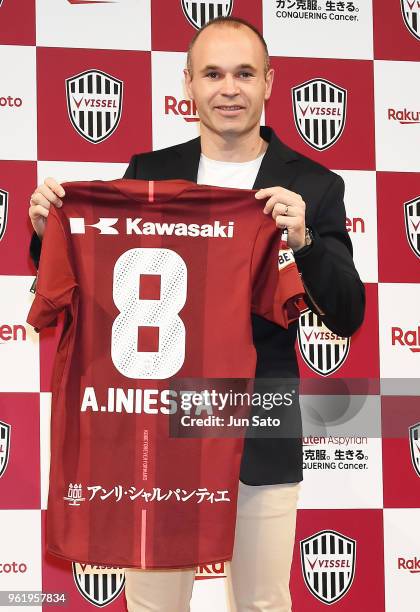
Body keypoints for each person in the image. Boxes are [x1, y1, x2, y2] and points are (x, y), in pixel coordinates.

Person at [28, 16, 365, 612]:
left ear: (269, 82)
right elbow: (98, 286)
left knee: (262, 602)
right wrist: (47, 232)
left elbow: (347, 312)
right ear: (187, 84)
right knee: (155, 603)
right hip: (157, 418)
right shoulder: (147, 173)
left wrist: (306, 241)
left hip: (259, 415)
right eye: (212, 74)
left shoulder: (313, 184)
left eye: (243, 73)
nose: (228, 88)